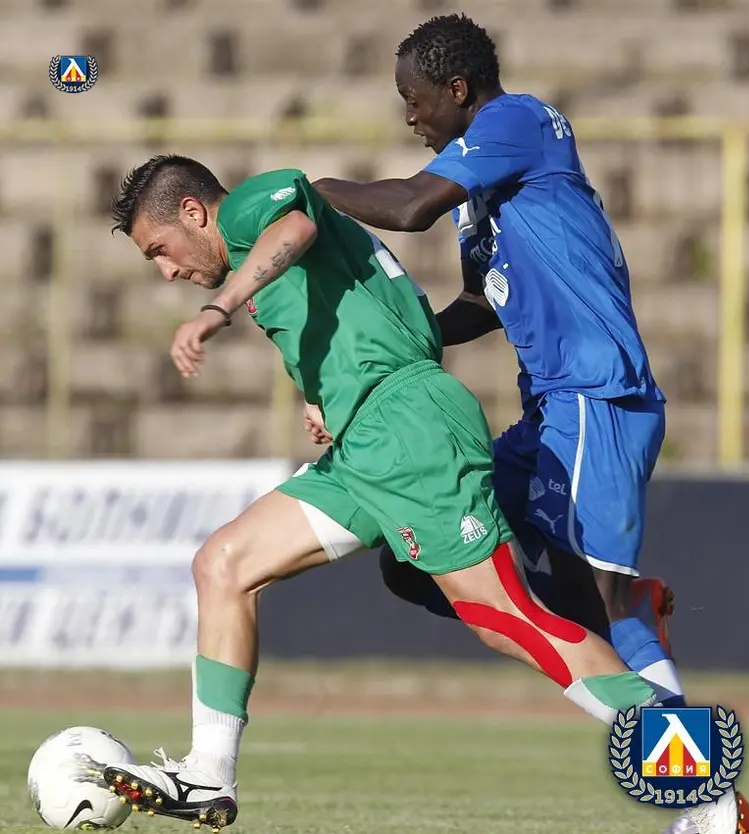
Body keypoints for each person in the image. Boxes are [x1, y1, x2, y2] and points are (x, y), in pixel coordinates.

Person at [101, 154, 662, 832]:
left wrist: (217, 310)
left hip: (406, 432)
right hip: (367, 440)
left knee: (510, 619)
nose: (166, 271)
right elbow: (393, 317)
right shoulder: (272, 256)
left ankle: (693, 767)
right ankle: (208, 776)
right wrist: (329, 395)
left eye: (160, 250)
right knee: (223, 565)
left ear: (193, 212)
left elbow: (295, 229)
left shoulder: (249, 206)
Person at [311, 14, 749, 834]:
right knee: (415, 565)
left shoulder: (515, 121)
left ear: (458, 89)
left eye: (414, 99)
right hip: (547, 413)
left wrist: (307, 191)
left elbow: (408, 206)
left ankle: (706, 798)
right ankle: (630, 613)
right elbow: (481, 303)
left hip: (595, 395)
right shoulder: (483, 197)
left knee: (600, 606)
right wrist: (394, 348)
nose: (408, 116)